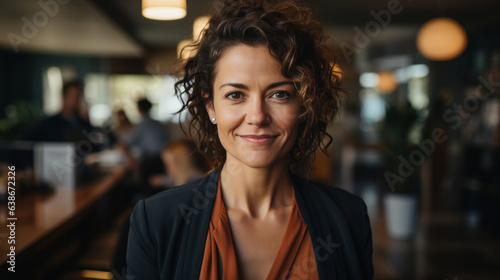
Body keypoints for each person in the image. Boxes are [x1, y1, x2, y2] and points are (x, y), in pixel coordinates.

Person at [126, 0, 373, 279]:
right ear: (210, 106)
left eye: (279, 94)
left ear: (303, 105)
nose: (257, 116)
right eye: (235, 95)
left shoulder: (348, 217)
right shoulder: (156, 220)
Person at [24, 80, 95, 144]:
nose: (75, 100)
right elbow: (25, 143)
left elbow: (94, 147)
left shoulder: (84, 125)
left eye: (78, 96)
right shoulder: (48, 124)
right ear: (64, 97)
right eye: (72, 96)